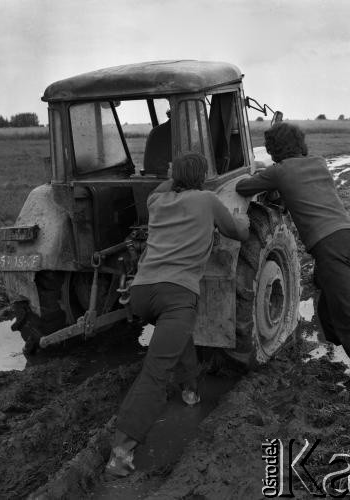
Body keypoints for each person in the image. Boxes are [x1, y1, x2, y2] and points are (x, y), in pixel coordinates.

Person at [105, 152, 249, 478]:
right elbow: (237, 232)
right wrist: (245, 219)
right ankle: (121, 451)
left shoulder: (157, 201)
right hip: (177, 295)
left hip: (142, 294)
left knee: (176, 335)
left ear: (174, 176)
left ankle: (190, 389)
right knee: (155, 373)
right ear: (203, 177)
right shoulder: (208, 200)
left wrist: (176, 174)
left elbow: (168, 185)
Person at [235, 122, 350, 406]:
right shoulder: (318, 163)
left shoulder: (280, 171)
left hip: (328, 247)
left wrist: (261, 177)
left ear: (274, 150)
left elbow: (244, 187)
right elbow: (301, 190)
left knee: (347, 313)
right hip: (349, 239)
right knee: (330, 307)